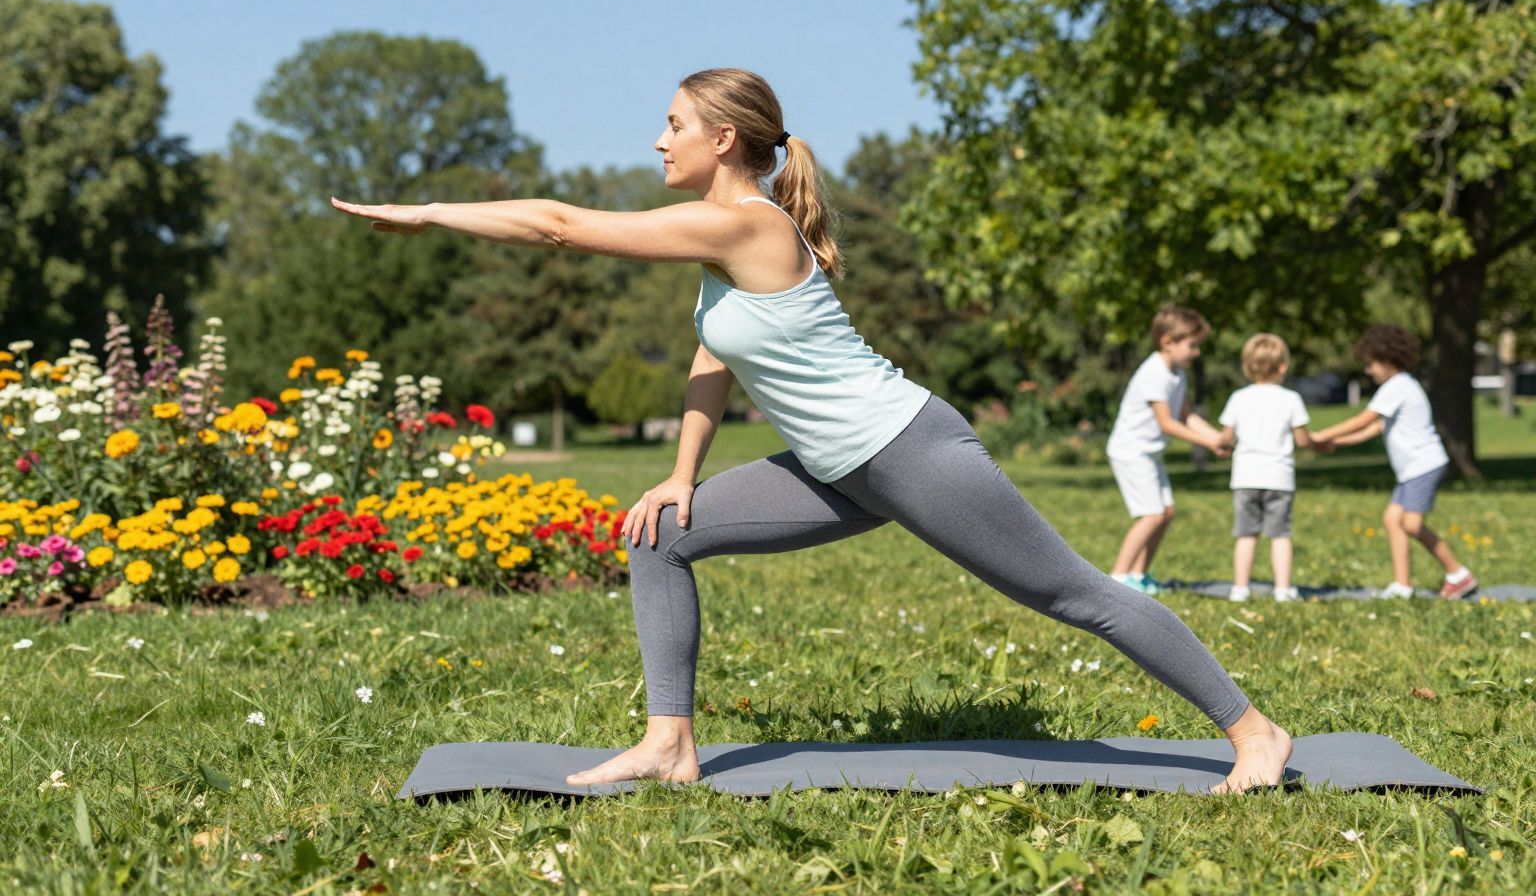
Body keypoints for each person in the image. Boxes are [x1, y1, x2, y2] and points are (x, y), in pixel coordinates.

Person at [331, 67, 1292, 794]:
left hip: (909, 449)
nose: (658, 141)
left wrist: (432, 212)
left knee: (1076, 595)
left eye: (674, 126)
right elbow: (713, 360)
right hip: (838, 469)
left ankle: (1254, 731)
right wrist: (680, 475)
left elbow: (559, 226)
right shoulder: (720, 244)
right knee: (661, 536)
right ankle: (669, 741)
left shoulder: (747, 224)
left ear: (724, 138)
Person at [1311, 326, 1477, 600]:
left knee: (1411, 524)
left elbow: (1364, 419)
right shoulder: (1400, 386)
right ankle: (1402, 585)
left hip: (1423, 465)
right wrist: (1337, 443)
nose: (1368, 370)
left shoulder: (1398, 386)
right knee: (1392, 520)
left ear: (1389, 359)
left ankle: (1458, 574)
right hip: (1412, 469)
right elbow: (1376, 427)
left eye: (1371, 363)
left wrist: (1322, 435)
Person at [1105, 306, 1228, 594]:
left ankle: (1139, 576)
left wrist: (1217, 437)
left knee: (1166, 512)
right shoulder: (1155, 373)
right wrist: (1209, 443)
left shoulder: (1177, 374)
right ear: (1168, 341)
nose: (1196, 352)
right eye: (1192, 345)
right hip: (1131, 451)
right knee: (1152, 515)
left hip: (1149, 452)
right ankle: (1117, 580)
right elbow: (1167, 423)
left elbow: (1187, 415)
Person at [1216, 334, 1330, 603]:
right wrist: (1319, 442)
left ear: (1247, 367)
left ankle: (1240, 589)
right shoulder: (1291, 399)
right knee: (1280, 535)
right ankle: (1282, 590)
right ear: (1283, 366)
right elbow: (1303, 440)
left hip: (1245, 477)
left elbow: (1226, 438)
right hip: (1279, 478)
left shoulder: (1238, 398)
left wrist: (1222, 446)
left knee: (1246, 534)